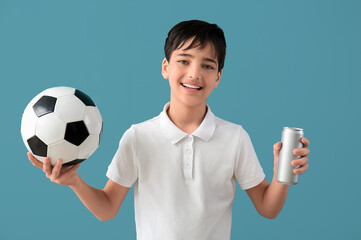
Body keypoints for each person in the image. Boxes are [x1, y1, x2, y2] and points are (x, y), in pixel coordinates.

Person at [28, 20, 310, 240]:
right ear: (166, 67)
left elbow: (267, 208)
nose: (194, 73)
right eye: (184, 60)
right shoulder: (138, 137)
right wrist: (74, 182)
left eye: (207, 65)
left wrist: (282, 174)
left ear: (218, 77)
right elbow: (107, 208)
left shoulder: (234, 137)